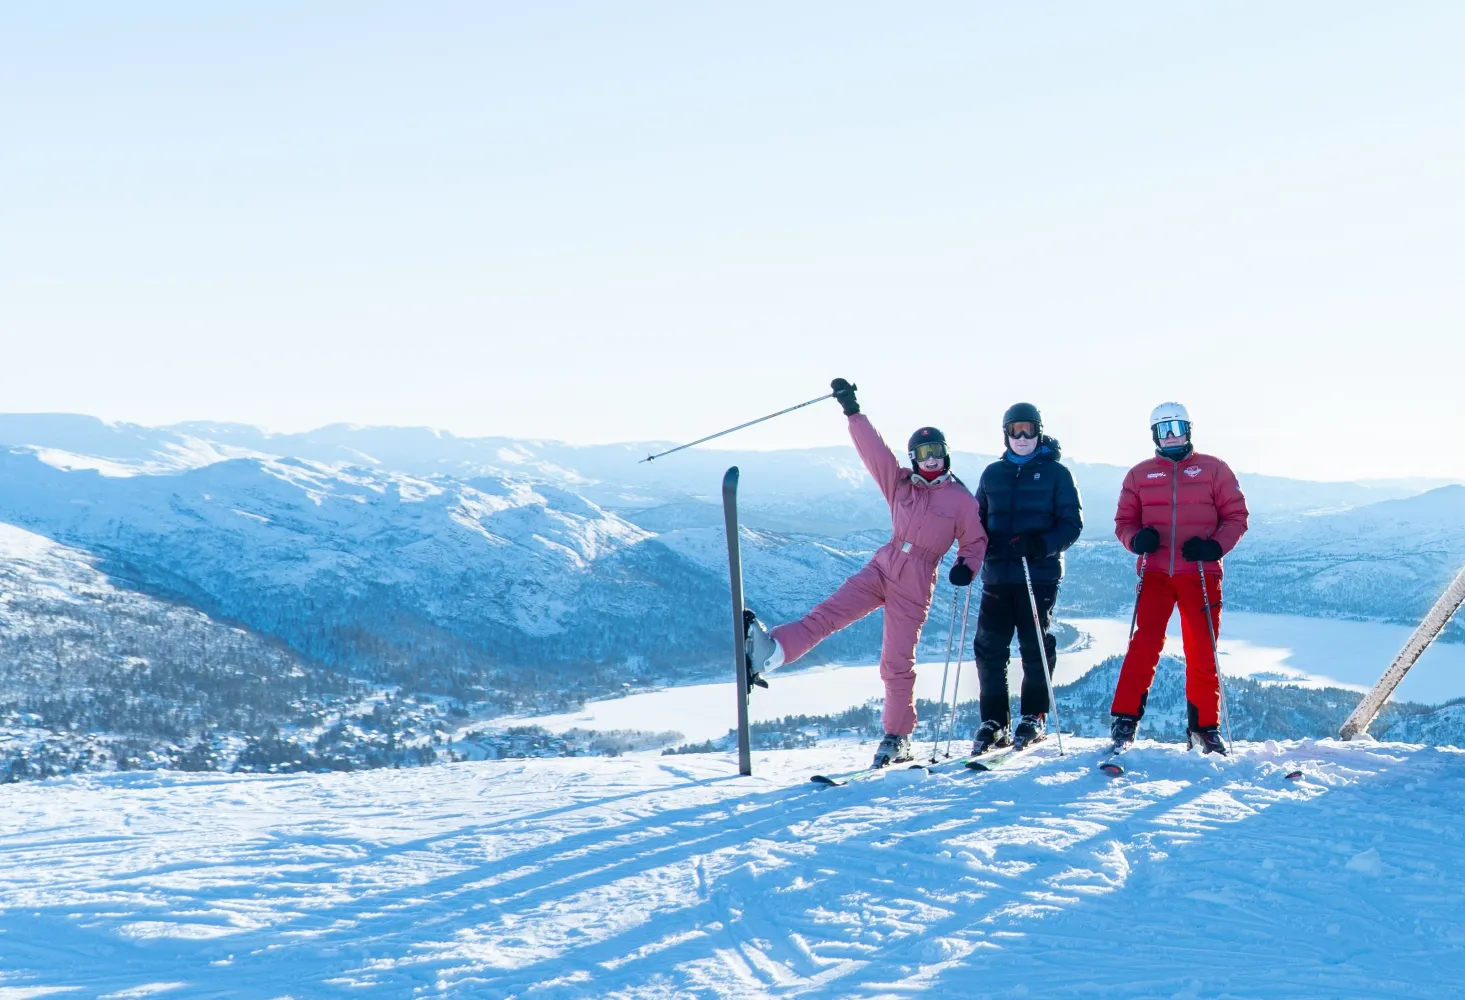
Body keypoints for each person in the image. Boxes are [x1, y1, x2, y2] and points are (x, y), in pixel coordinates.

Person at [745, 378, 988, 767]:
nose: (931, 458)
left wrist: (965, 567)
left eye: (937, 451)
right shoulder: (902, 485)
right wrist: (853, 411)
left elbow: (975, 543)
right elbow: (874, 452)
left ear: (946, 455)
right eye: (923, 452)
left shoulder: (960, 499)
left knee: (895, 662)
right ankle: (771, 653)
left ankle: (897, 737)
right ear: (913, 456)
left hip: (916, 579)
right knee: (827, 616)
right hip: (884, 563)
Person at [1109, 402, 1249, 754]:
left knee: (1202, 651)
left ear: (1189, 429)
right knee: (1144, 645)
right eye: (1163, 429)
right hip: (1156, 573)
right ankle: (1125, 720)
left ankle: (1204, 727)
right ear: (1154, 435)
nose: (1172, 436)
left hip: (1199, 573)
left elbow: (1236, 515)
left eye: (1178, 428)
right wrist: (1136, 541)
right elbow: (1124, 523)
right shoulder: (1140, 475)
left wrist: (1214, 547)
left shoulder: (1213, 469)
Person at [968, 403, 1083, 753]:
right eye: (1015, 430)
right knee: (989, 647)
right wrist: (972, 556)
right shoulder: (992, 474)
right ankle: (994, 722)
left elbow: (1072, 525)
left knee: (1034, 646)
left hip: (1038, 574)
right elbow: (975, 523)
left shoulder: (1056, 474)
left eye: (1028, 430)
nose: (1021, 438)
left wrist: (1040, 545)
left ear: (1039, 432)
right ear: (1005, 434)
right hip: (998, 574)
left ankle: (1034, 716)